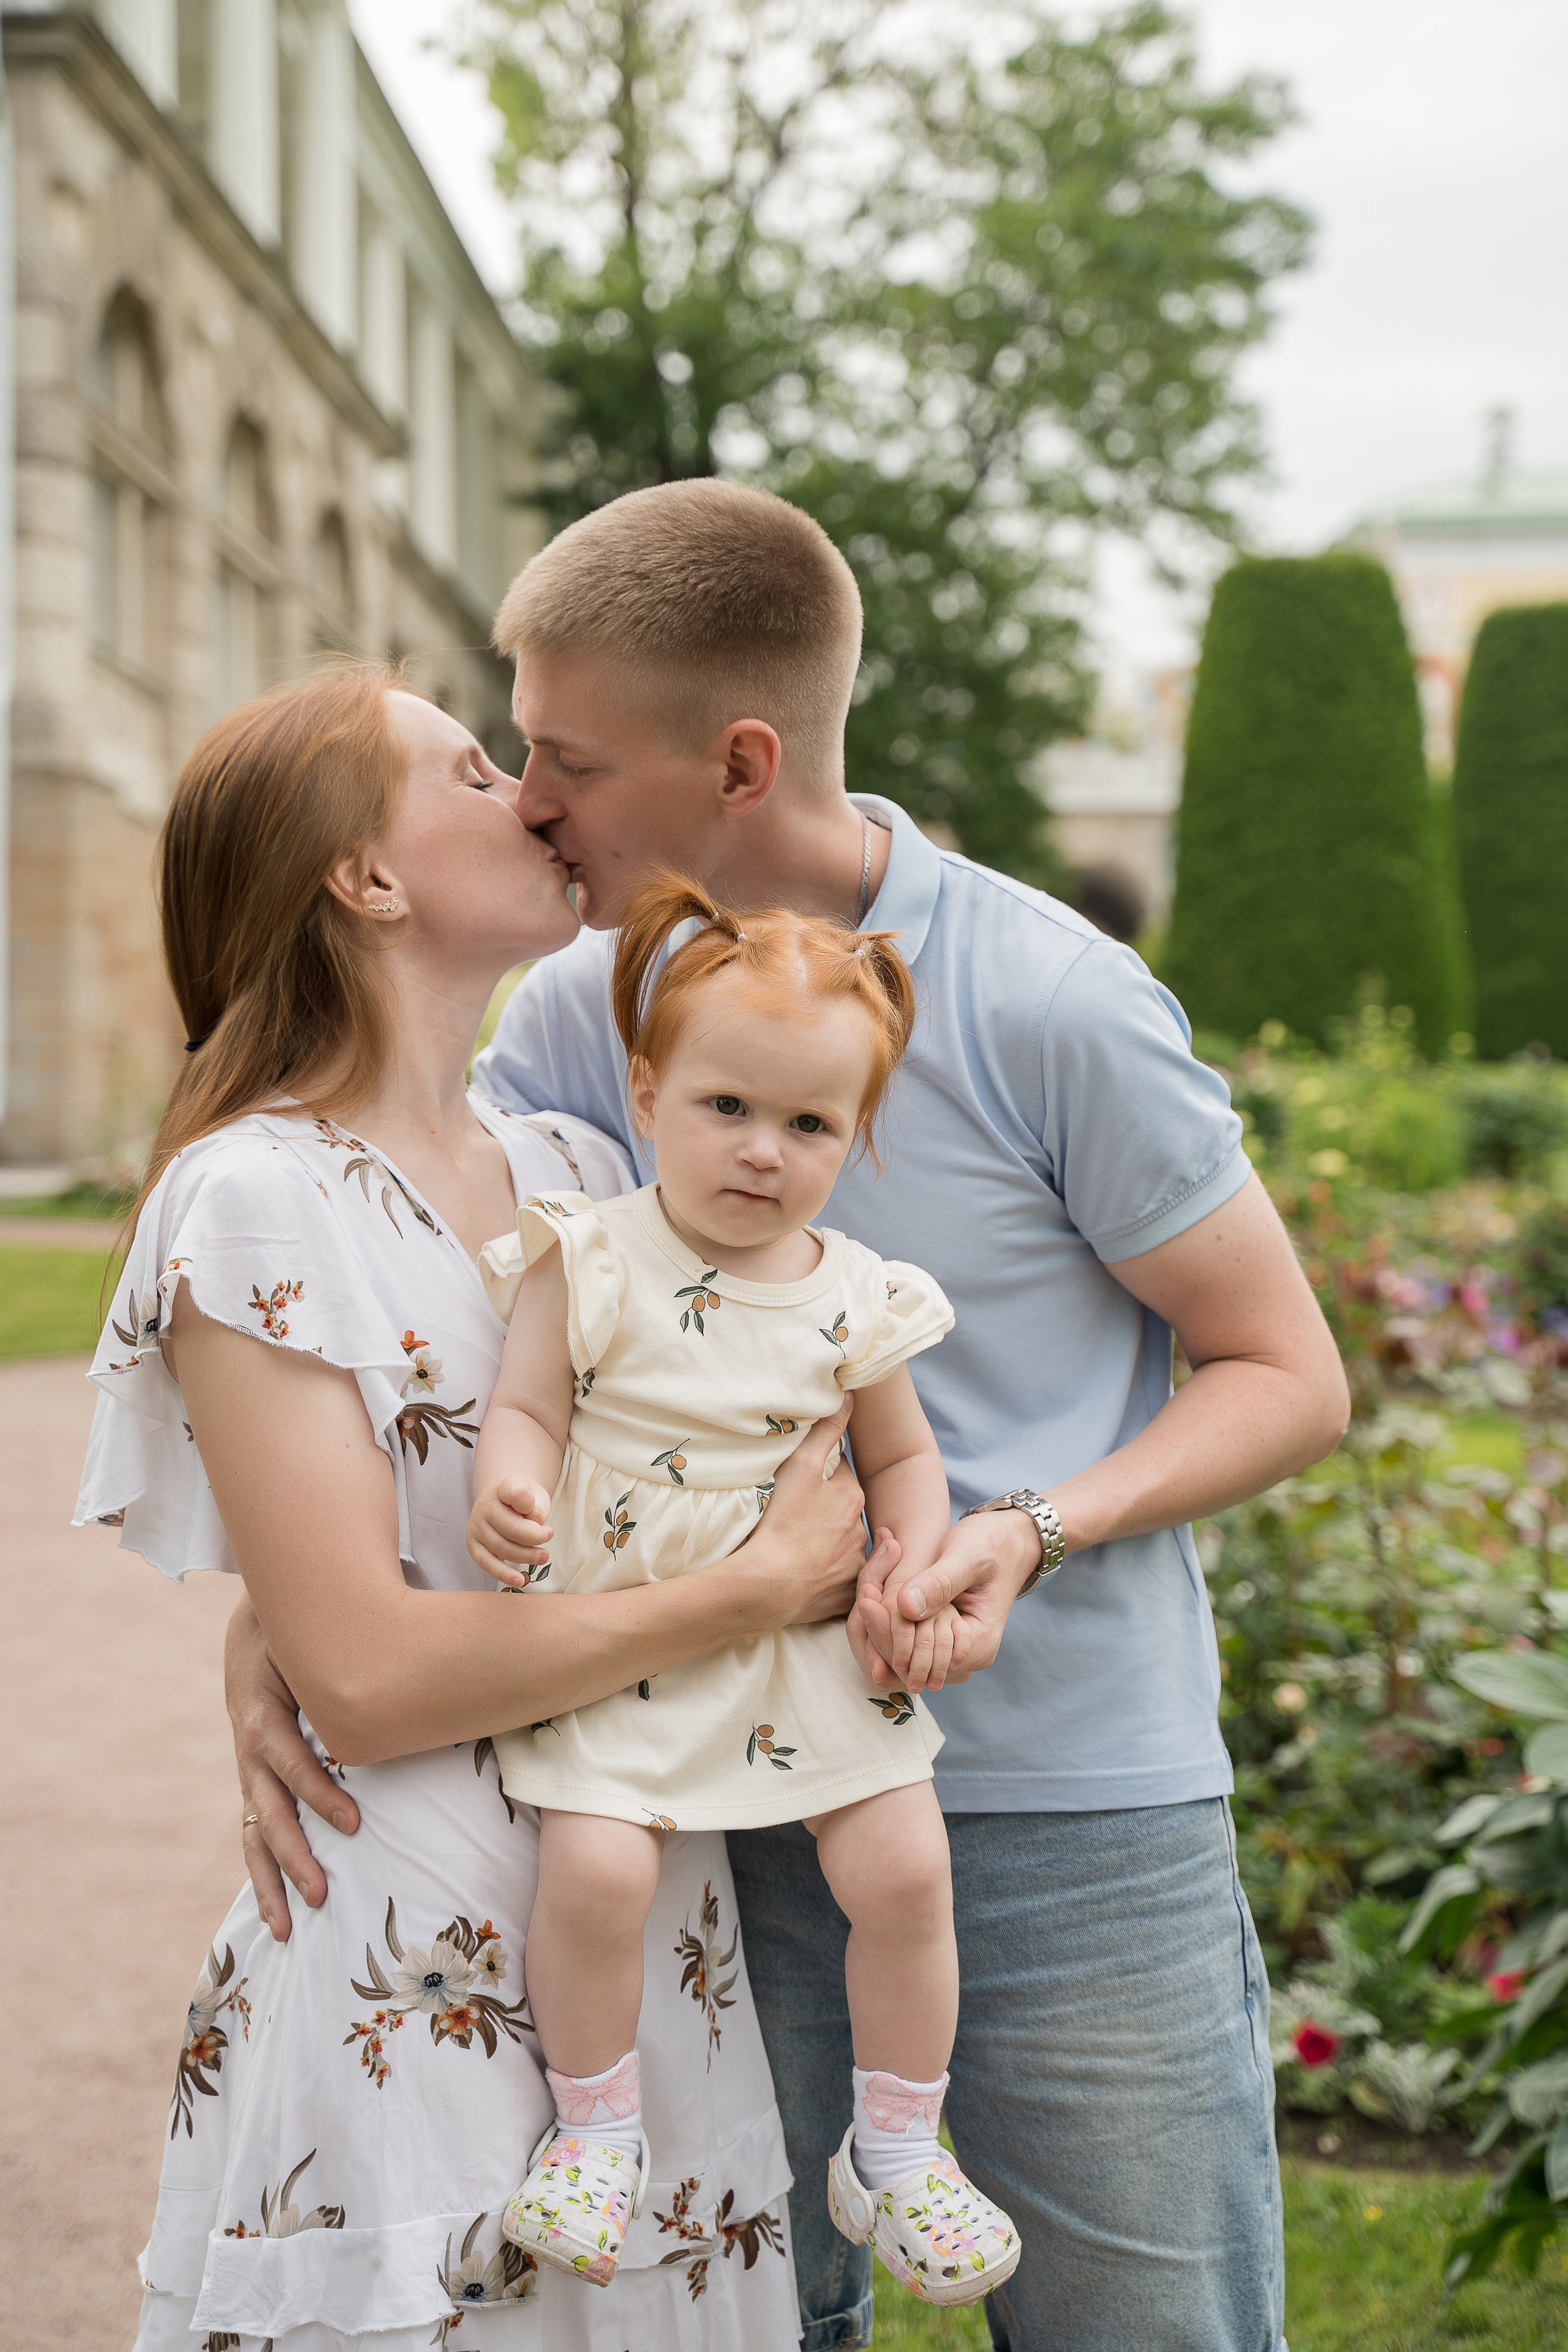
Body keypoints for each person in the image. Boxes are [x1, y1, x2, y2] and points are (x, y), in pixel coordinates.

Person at [235, 481, 1350, 2352]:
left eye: (566, 755)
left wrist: (1020, 1529)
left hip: (1066, 1823)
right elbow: (457, 1343)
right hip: (700, 1829)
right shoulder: (587, 1014)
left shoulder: (1052, 1000)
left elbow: (1286, 1372)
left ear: (741, 760)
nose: (528, 799)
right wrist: (278, 1616)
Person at [76, 663, 874, 2352]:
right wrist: (751, 1593)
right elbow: (361, 1678)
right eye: (466, 767)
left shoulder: (585, 1173)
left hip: (657, 1928)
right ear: (365, 880)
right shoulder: (254, 1201)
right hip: (415, 1958)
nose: (527, 790)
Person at [466, 874, 1018, 2305]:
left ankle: (894, 2146)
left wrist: (908, 1558)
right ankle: (594, 2134)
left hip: (804, 1651)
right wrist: (505, 1483)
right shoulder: (586, 1257)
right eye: (726, 1108)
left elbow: (903, 1457)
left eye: (809, 1124)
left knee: (901, 1866)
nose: (762, 1152)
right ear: (646, 1088)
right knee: (594, 1869)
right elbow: (523, 1408)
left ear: (853, 1138)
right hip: (628, 1634)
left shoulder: (855, 1293)